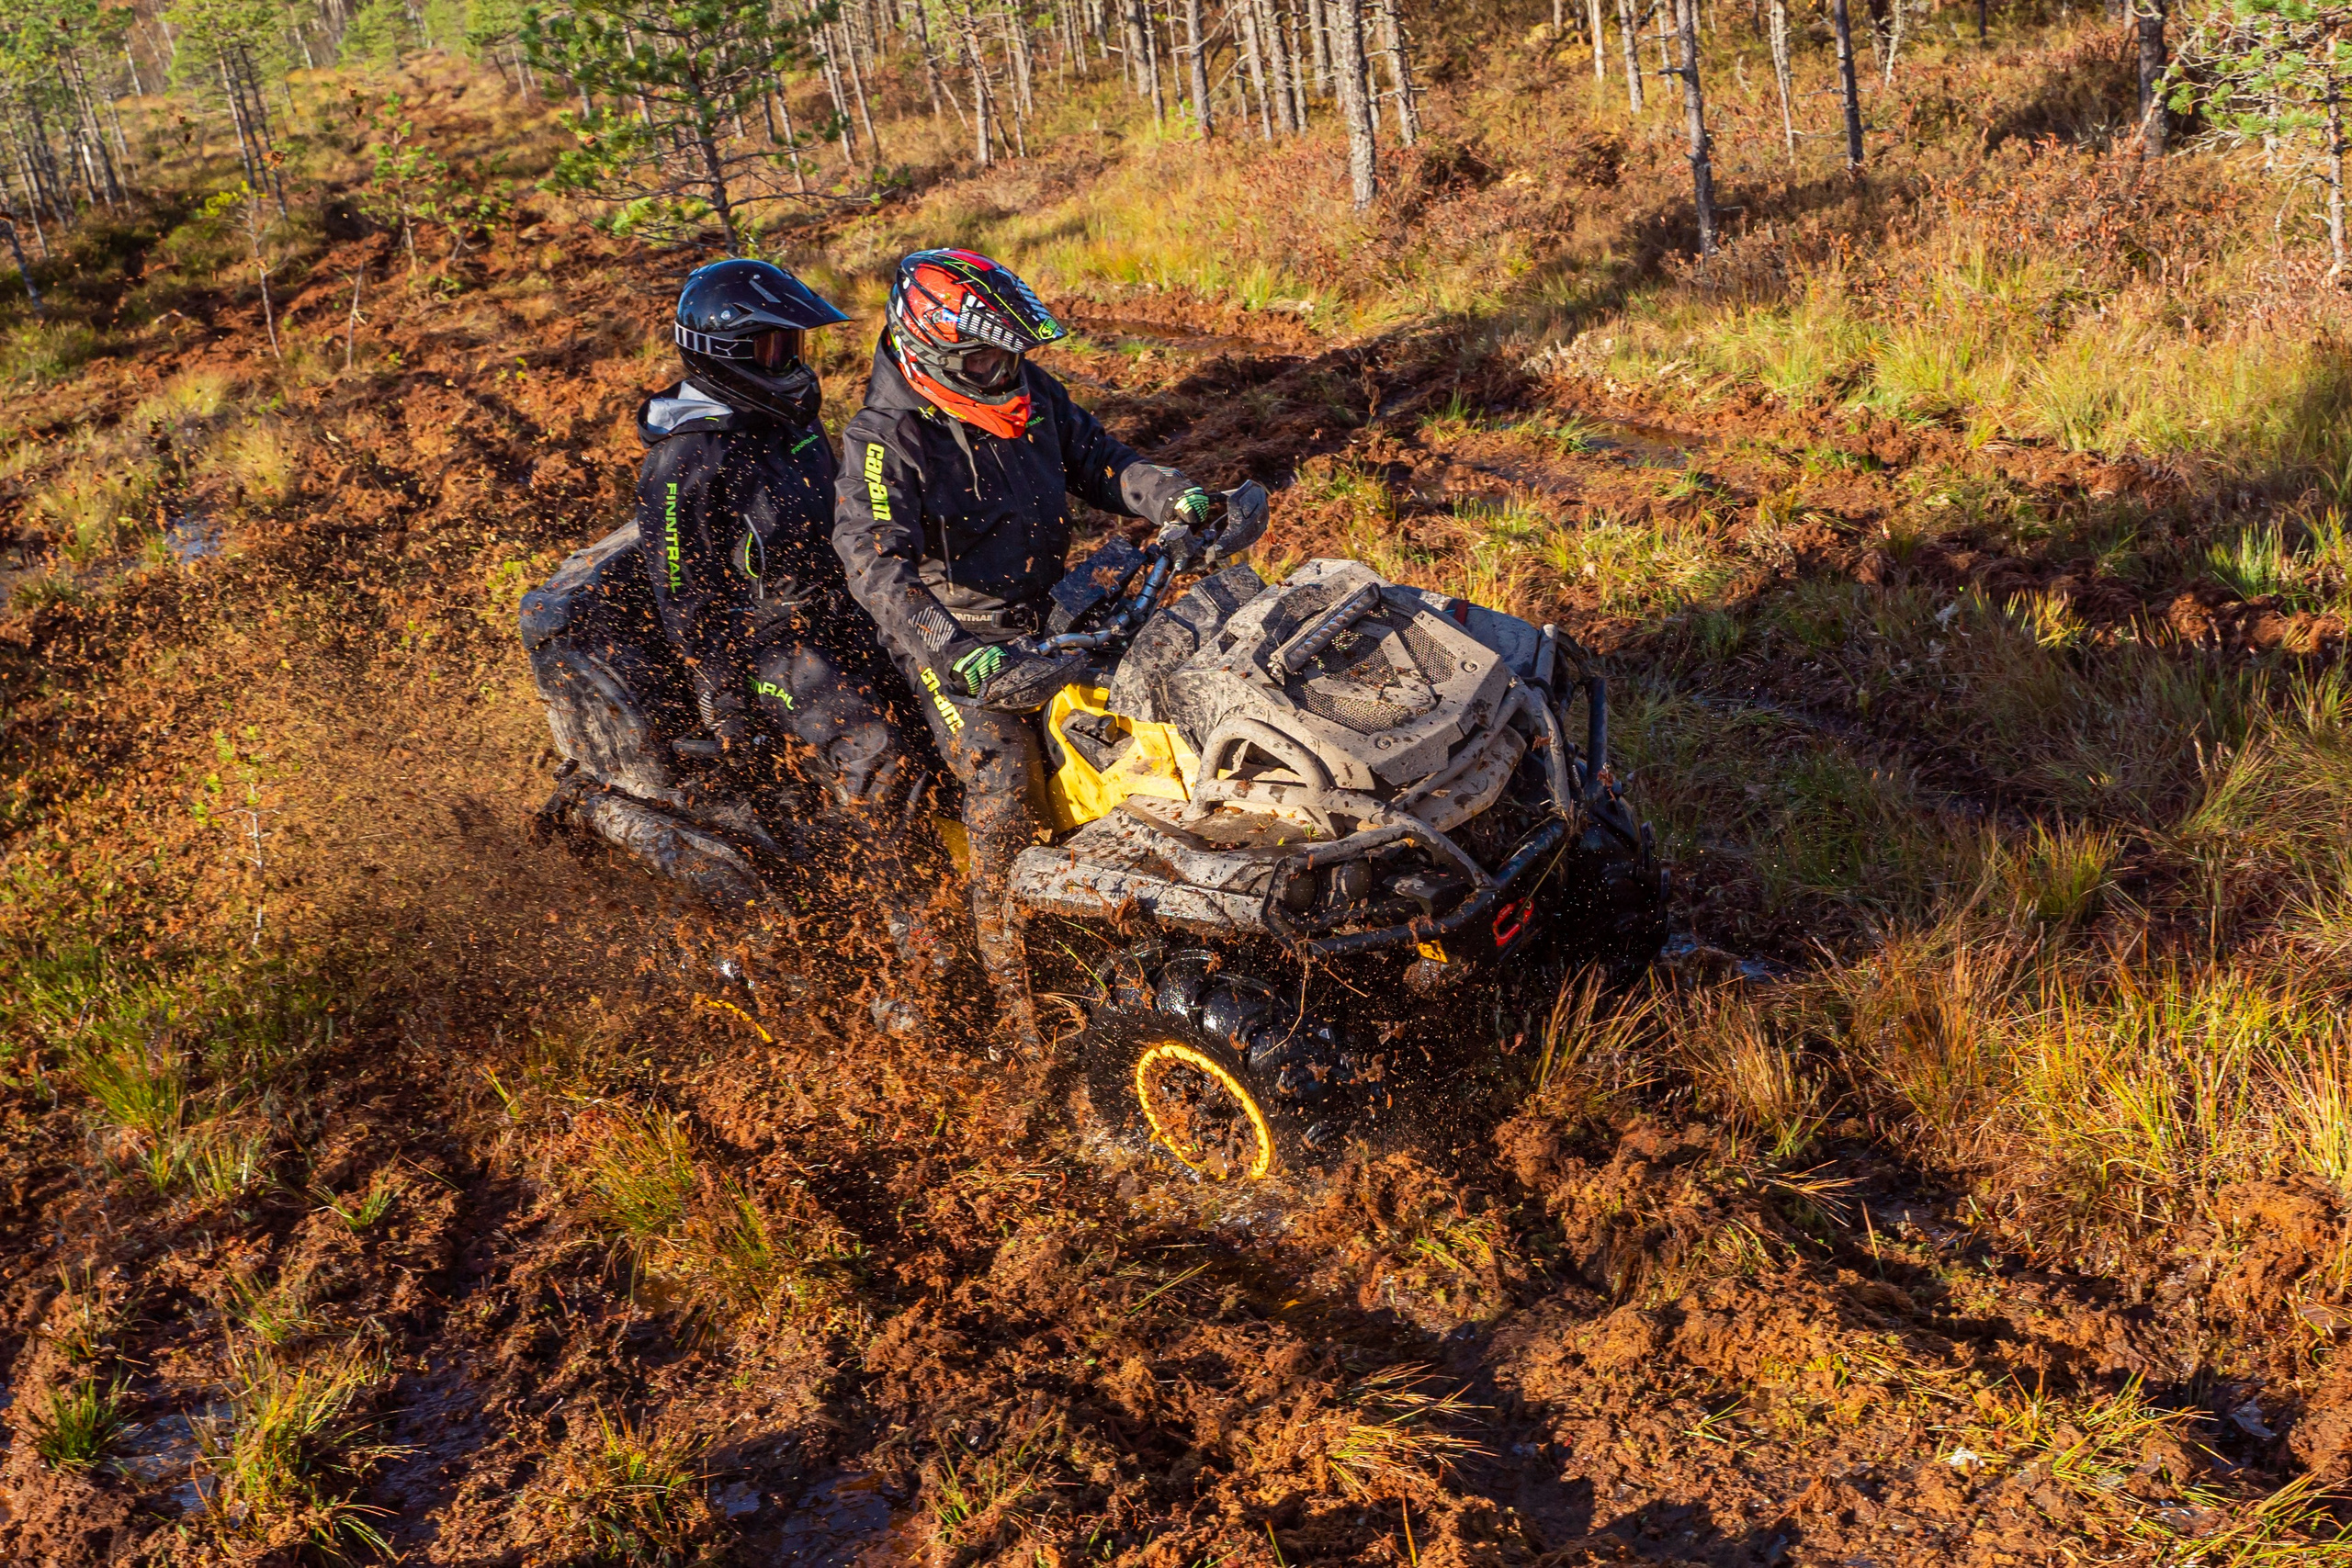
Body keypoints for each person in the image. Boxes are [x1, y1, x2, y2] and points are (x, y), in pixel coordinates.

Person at [831, 248, 1216, 1049]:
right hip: (956, 646)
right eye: (985, 358)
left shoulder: (1024, 390)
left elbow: (1102, 460)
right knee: (1005, 790)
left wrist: (1172, 493)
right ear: (930, 352)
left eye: (1012, 355)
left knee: (1182, 674)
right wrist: (948, 644)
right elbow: (871, 560)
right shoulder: (886, 437)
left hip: (1052, 606)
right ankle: (1020, 1008)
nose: (1005, 372)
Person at [639, 257, 940, 1021]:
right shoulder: (686, 460)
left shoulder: (789, 421)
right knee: (877, 749)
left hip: (842, 601)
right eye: (776, 349)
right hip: (763, 644)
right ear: (728, 354)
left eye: (793, 347)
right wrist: (724, 701)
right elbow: (685, 597)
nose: (793, 363)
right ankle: (914, 950)